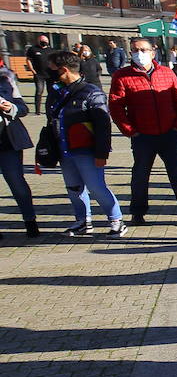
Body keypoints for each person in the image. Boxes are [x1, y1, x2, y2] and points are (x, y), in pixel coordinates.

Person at [109, 37, 177, 226]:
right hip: (143, 136)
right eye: (134, 50)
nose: (139, 53)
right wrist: (129, 130)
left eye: (143, 50)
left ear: (153, 52)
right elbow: (115, 106)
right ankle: (138, 213)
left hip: (170, 134)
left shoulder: (166, 73)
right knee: (140, 175)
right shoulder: (122, 76)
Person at [45, 51, 126, 238]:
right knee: (73, 187)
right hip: (65, 149)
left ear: (64, 70)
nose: (49, 73)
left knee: (96, 187)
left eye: (52, 69)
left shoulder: (91, 92)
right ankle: (83, 221)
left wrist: (101, 152)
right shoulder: (57, 92)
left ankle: (116, 221)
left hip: (87, 150)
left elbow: (103, 124)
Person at [0, 72, 39, 238]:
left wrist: (11, 108)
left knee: (16, 181)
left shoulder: (6, 79)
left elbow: (23, 108)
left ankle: (30, 221)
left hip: (8, 140)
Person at [25, 35, 54, 113]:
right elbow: (28, 60)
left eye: (46, 41)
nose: (44, 42)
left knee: (51, 92)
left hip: (50, 74)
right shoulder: (33, 49)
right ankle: (37, 110)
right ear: (38, 41)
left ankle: (50, 108)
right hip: (39, 74)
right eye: (43, 41)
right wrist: (32, 70)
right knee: (39, 91)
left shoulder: (51, 50)